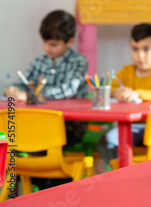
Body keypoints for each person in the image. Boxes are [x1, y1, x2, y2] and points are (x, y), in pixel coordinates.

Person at [97, 23, 151, 169]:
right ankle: (122, 171)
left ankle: (140, 171)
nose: (140, 55)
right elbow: (111, 87)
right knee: (107, 142)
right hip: (131, 127)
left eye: (146, 49)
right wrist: (116, 92)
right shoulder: (127, 71)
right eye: (135, 49)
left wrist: (138, 93)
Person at [4, 9, 88, 147]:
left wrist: (31, 96)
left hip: (69, 128)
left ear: (70, 42)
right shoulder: (40, 62)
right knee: (15, 139)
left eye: (53, 44)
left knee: (34, 144)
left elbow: (67, 90)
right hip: (38, 123)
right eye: (45, 42)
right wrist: (13, 90)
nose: (47, 48)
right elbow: (21, 82)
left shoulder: (78, 61)